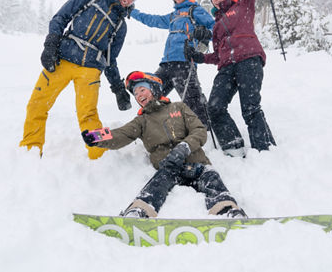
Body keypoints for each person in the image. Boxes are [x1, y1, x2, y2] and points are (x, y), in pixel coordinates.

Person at [81, 71, 247, 218]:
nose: (138, 95)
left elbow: (199, 130)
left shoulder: (179, 107)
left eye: (142, 89)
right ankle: (139, 212)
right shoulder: (142, 121)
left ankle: (226, 210)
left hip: (197, 164)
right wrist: (96, 137)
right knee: (156, 184)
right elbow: (121, 134)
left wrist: (184, 147)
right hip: (168, 169)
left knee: (212, 178)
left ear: (153, 88)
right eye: (135, 93)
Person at [20, 0, 146, 160]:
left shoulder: (121, 25)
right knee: (37, 105)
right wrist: (51, 44)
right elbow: (61, 17)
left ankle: (100, 155)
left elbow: (110, 59)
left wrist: (118, 89)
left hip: (90, 70)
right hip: (61, 60)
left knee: (89, 115)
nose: (127, 0)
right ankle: (30, 150)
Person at [184, 0, 276, 157]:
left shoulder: (243, 7)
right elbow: (218, 55)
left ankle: (264, 151)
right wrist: (200, 58)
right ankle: (234, 147)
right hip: (226, 67)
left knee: (250, 108)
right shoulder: (216, 25)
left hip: (249, 61)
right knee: (214, 107)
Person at [129, 0, 214, 127]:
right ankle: (153, 129)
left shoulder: (195, 10)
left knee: (192, 100)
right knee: (152, 95)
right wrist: (132, 12)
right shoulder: (173, 16)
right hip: (166, 64)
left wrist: (206, 34)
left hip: (184, 62)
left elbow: (215, 28)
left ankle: (204, 129)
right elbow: (152, 20)